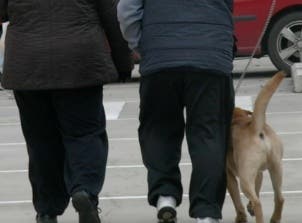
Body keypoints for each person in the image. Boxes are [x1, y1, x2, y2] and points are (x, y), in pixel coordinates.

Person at [0, 0, 133, 223]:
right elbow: (112, 16)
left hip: (28, 61)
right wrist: (122, 63)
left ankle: (47, 209)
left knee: (40, 140)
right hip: (80, 61)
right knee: (85, 134)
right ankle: (85, 191)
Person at [118, 0, 235, 222]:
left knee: (159, 130)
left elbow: (126, 10)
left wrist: (139, 44)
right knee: (209, 134)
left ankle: (165, 195)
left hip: (160, 57)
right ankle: (206, 212)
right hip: (211, 57)